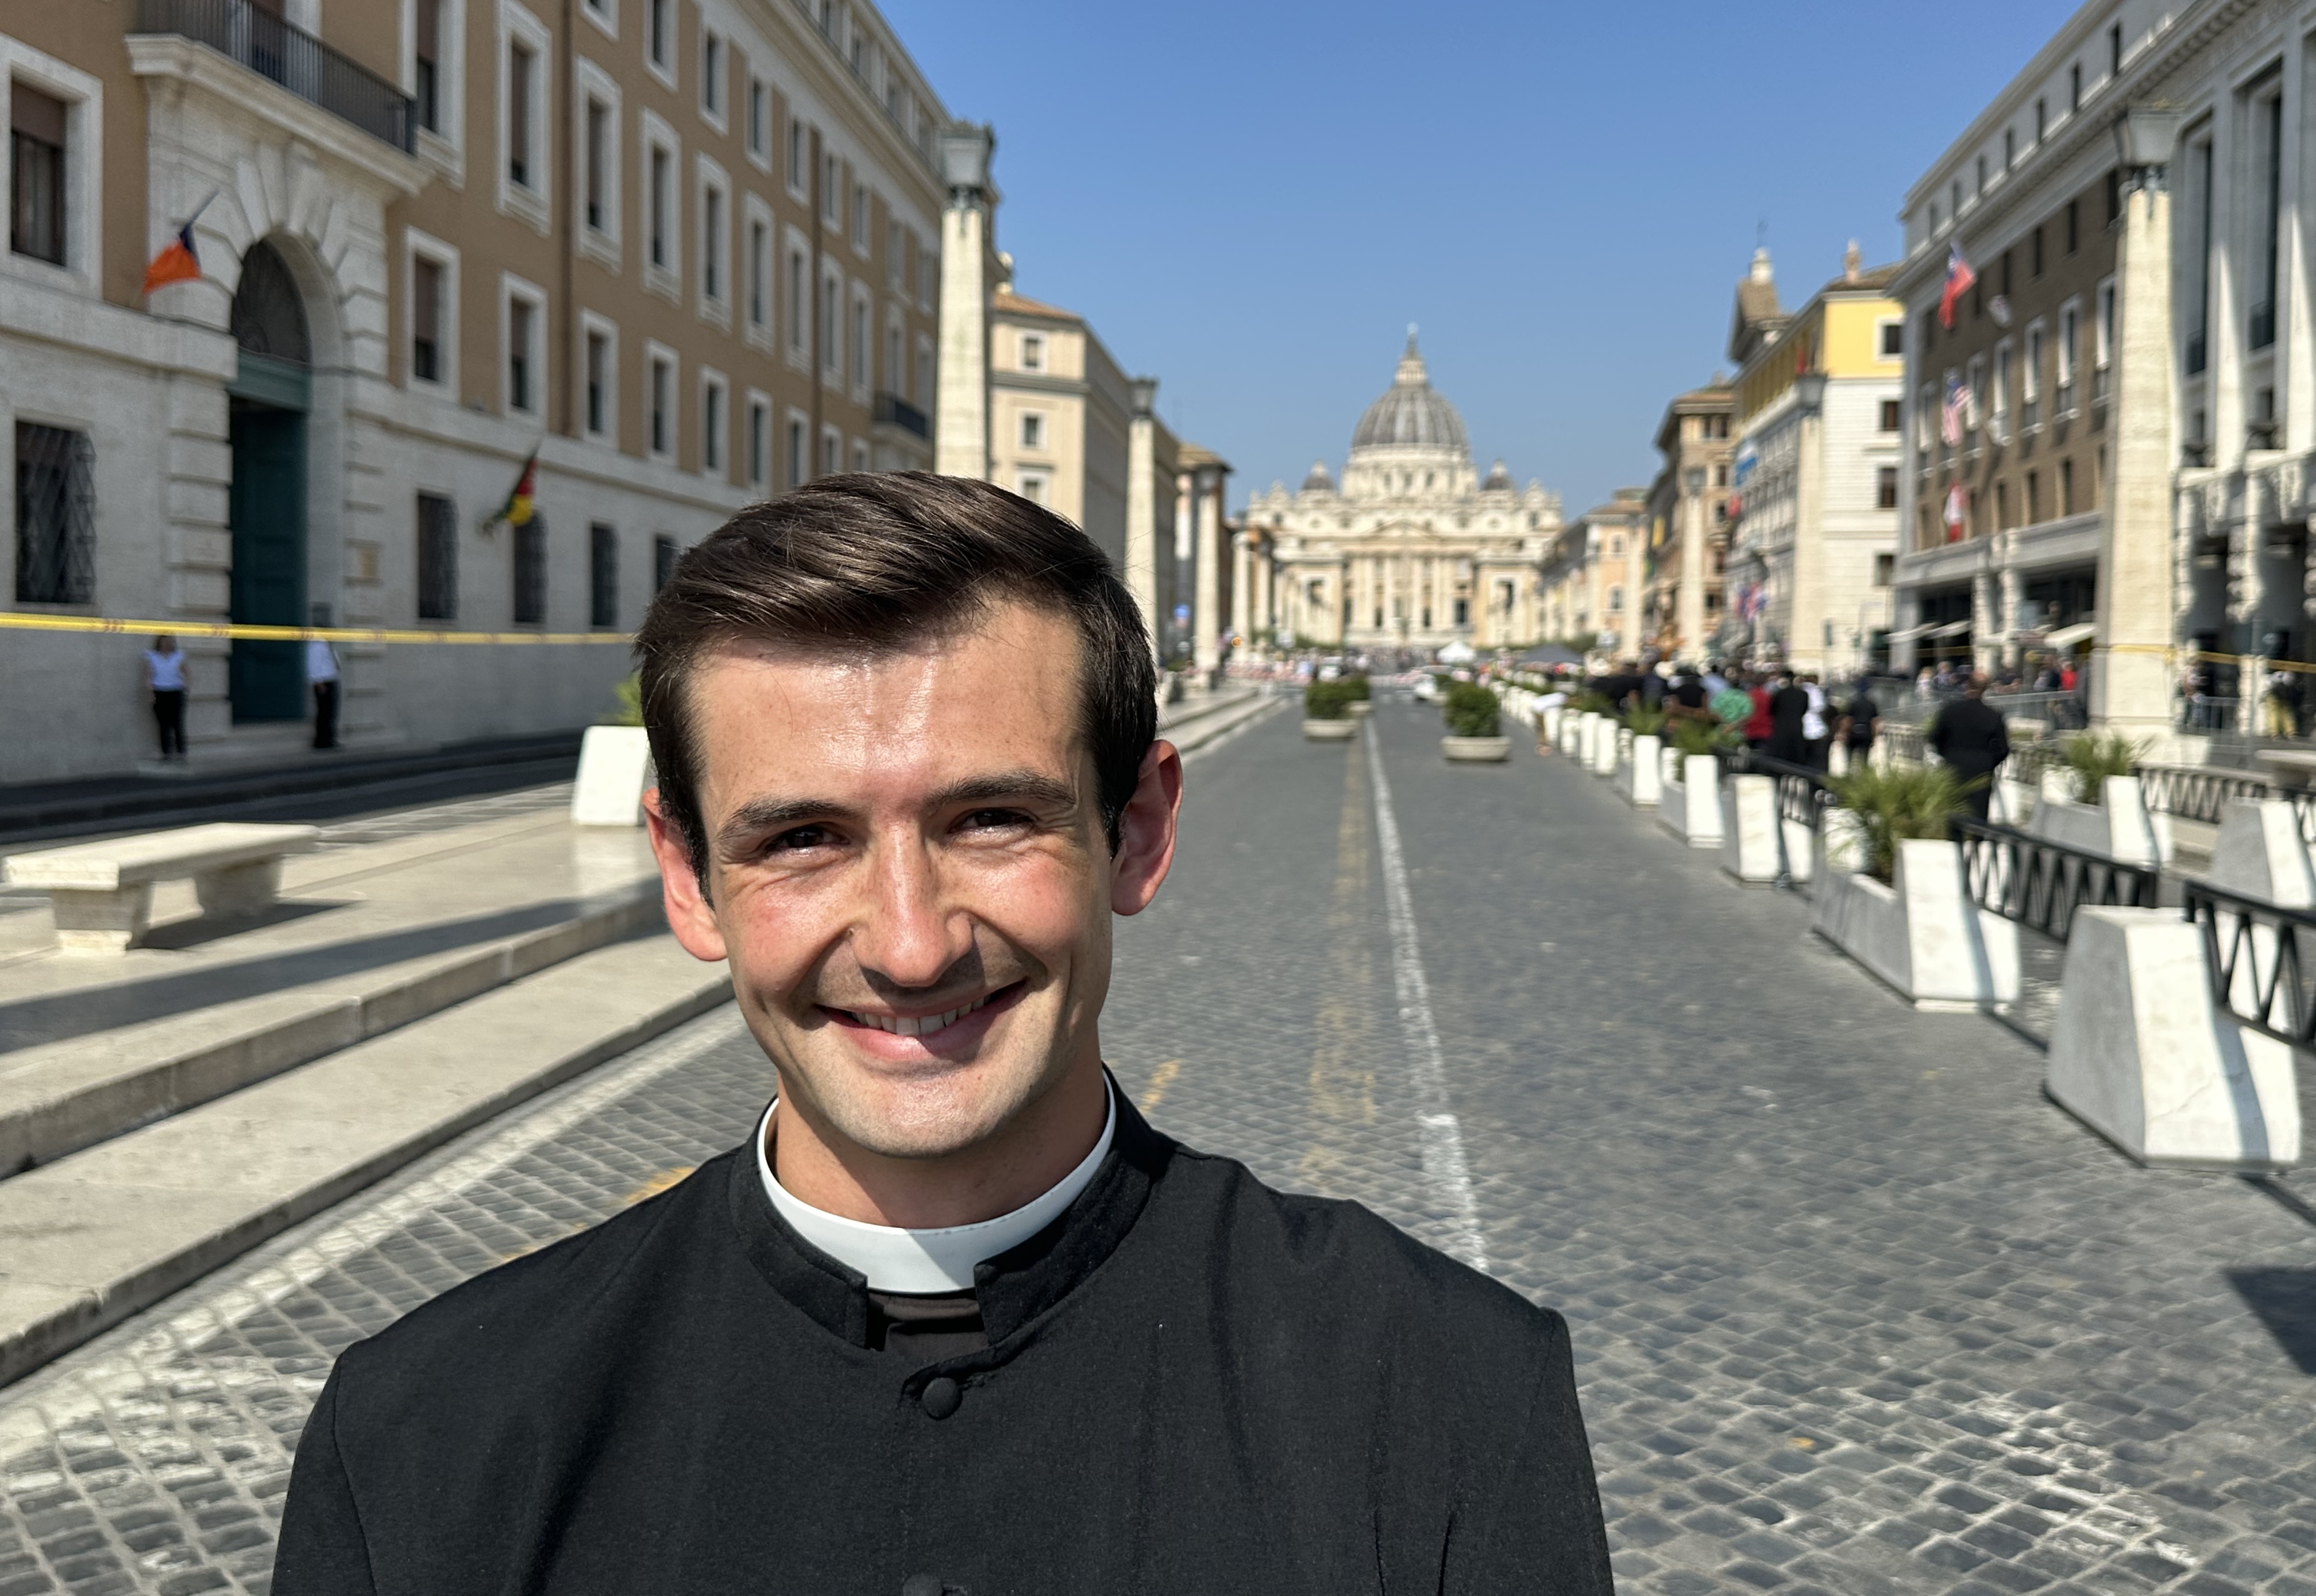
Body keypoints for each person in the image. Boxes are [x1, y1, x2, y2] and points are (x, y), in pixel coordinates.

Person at [272, 473, 1613, 1595]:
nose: (911, 946)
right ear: (687, 880)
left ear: (1138, 833)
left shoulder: (1454, 1392)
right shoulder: (420, 1437)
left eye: (991, 820)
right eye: (804, 838)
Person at [1928, 673, 2010, 820]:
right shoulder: (1993, 715)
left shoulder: (1950, 711)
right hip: (1981, 770)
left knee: (1952, 810)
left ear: (1967, 685)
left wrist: (1947, 755)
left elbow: (1934, 738)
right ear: (1985, 689)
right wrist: (1988, 762)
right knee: (1978, 813)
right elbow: (2003, 749)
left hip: (1953, 766)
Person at [144, 635, 187, 760]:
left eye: (168, 642)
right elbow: (149, 675)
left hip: (175, 691)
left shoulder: (178, 656)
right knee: (163, 724)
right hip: (160, 691)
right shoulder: (152, 656)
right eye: (163, 642)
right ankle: (166, 753)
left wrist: (185, 686)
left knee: (177, 722)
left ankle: (181, 752)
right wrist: (150, 693)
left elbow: (186, 672)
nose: (166, 644)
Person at [305, 625, 342, 751]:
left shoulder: (328, 645)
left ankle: (330, 738)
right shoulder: (317, 645)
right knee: (324, 712)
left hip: (331, 679)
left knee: (331, 711)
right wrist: (318, 682)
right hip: (324, 682)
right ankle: (321, 740)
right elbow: (313, 665)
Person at [1765, 668, 1811, 765]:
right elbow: (1804, 710)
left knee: (1781, 756)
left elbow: (1772, 710)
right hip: (1797, 726)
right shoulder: (1803, 694)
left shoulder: (1779, 694)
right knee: (1796, 755)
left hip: (1781, 727)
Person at [1835, 677, 1881, 769]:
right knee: (1865, 759)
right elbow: (1874, 722)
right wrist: (1874, 737)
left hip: (1854, 732)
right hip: (1867, 732)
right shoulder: (1872, 704)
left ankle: (1849, 773)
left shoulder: (1853, 703)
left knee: (1850, 758)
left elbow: (1848, 720)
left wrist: (1843, 733)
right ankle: (1864, 774)